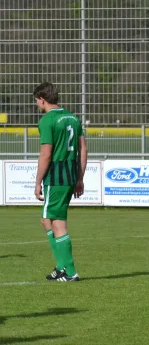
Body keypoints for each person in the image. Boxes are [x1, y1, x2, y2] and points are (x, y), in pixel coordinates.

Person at [33, 82, 88, 282]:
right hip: (69, 175)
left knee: (57, 224)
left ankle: (70, 271)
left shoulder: (47, 120)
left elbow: (46, 154)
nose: (37, 105)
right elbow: (83, 149)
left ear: (42, 99)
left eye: (37, 101)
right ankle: (60, 267)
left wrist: (38, 182)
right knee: (46, 220)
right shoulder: (73, 118)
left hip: (55, 177)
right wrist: (80, 177)